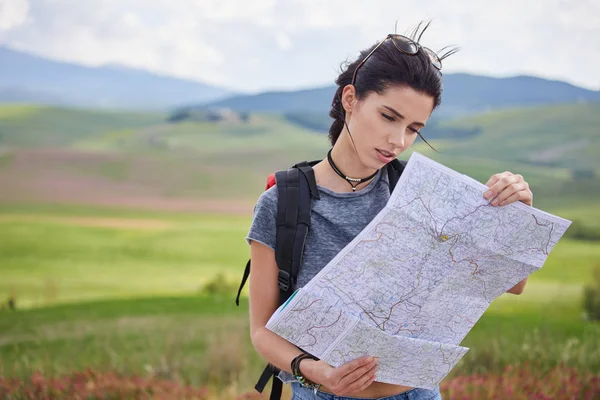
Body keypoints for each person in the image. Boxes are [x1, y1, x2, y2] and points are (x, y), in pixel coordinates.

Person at [246, 21, 533, 400]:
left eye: (414, 128)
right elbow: (262, 331)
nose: (398, 141)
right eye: (388, 117)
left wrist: (517, 213)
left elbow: (513, 285)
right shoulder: (282, 203)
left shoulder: (429, 195)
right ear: (351, 99)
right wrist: (315, 372)